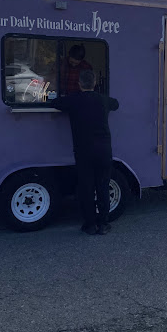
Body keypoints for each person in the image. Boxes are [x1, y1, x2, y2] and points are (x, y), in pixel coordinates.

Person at [53, 69, 119, 235]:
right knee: (103, 186)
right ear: (95, 83)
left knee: (86, 188)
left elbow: (55, 103)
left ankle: (89, 225)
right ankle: (103, 224)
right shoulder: (103, 99)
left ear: (79, 84)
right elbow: (116, 104)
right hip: (104, 149)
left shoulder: (73, 100)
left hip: (84, 151)